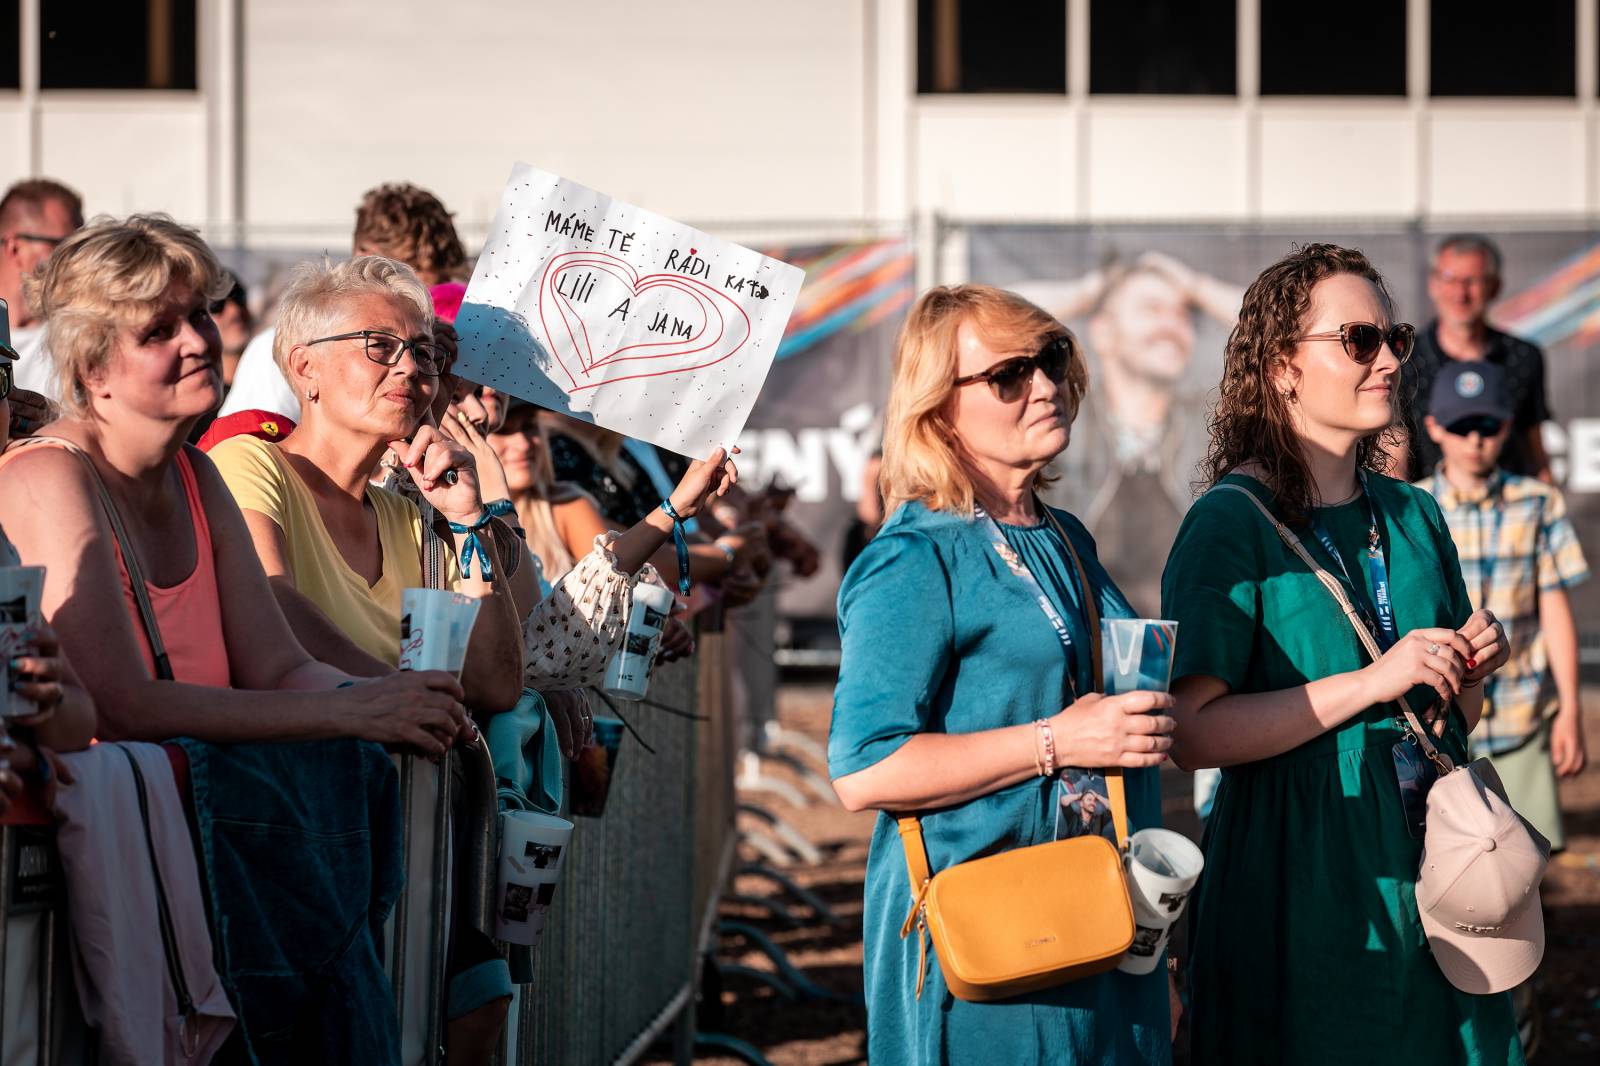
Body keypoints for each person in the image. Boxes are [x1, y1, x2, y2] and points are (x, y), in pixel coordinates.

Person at [1162, 244, 1521, 1064]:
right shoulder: (1230, 525)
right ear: (1284, 366)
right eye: (1359, 340)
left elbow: (1444, 721)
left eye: (1394, 336)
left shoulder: (1413, 514)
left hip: (1438, 869)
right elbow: (1194, 734)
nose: (1391, 358)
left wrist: (1468, 669)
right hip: (1305, 885)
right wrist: (1372, 680)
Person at [829, 284, 1177, 1064]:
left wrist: (1152, 951)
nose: (1046, 386)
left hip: (1103, 928)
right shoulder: (914, 558)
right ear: (938, 409)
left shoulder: (1066, 538)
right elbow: (863, 769)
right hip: (994, 952)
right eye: (1008, 376)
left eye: (1051, 359)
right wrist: (1056, 739)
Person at [0, 214, 469, 749]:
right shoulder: (50, 474)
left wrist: (396, 698)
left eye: (199, 314)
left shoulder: (195, 472)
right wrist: (350, 707)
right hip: (110, 825)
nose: (197, 341)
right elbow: (122, 706)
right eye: (158, 331)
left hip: (193, 819)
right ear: (92, 369)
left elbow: (280, 667)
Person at [209, 256, 524, 711]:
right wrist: (403, 694)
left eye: (423, 352)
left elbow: (494, 685)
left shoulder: (410, 518)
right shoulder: (250, 463)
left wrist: (469, 520)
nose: (409, 368)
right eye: (379, 346)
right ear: (305, 368)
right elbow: (271, 604)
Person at [1415, 361, 1588, 848]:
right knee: (1446, 868)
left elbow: (1555, 612)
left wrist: (1570, 710)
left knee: (1526, 869)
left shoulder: (1538, 502)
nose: (1475, 439)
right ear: (1434, 427)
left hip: (1521, 721)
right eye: (1461, 425)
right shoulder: (1411, 505)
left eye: (1487, 425)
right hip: (1440, 726)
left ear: (1506, 427)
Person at [1016, 252, 1242, 614]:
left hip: (1192, 651)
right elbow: (984, 322)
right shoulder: (1061, 421)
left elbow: (1288, 336)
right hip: (1081, 643)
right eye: (1151, 309)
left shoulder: (1213, 424)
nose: (1171, 325)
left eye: (1182, 314)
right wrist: (1090, 290)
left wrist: (1198, 288)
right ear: (1103, 332)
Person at [221, 182, 469, 421]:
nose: (425, 315)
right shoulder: (283, 348)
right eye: (411, 289)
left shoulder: (425, 365)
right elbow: (243, 451)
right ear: (364, 258)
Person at [1397, 234, 1553, 481]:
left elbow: (1535, 451)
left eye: (1472, 281)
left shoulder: (1524, 357)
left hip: (1508, 512)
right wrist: (1407, 517)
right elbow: (1394, 460)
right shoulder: (1405, 359)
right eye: (1450, 279)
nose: (1460, 293)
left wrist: (1549, 506)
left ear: (1495, 287)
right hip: (1431, 509)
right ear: (1433, 284)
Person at [0, 179, 84, 400]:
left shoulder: (80, 333)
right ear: (15, 248)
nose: (78, 260)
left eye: (81, 247)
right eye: (64, 246)